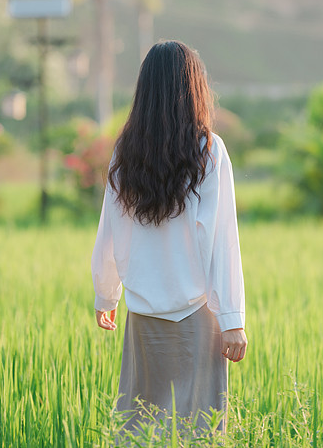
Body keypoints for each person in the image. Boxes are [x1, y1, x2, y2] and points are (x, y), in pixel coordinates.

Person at [91, 40, 247, 433]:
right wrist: (231, 318)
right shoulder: (208, 151)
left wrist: (106, 294)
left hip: (143, 317)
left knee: (141, 429)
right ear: (193, 88)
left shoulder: (126, 153)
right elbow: (222, 240)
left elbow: (110, 230)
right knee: (197, 430)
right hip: (196, 318)